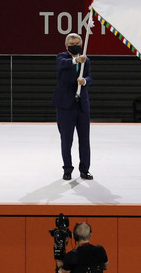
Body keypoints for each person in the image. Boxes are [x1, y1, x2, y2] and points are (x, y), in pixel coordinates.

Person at [52, 33, 94, 181]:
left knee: (84, 140)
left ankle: (85, 170)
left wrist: (85, 81)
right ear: (67, 46)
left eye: (77, 43)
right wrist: (76, 60)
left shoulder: (86, 60)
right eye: (72, 44)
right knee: (66, 140)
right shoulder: (61, 57)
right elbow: (62, 64)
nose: (74, 46)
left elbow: (90, 77)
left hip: (82, 106)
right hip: (65, 106)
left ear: (81, 45)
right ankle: (67, 169)